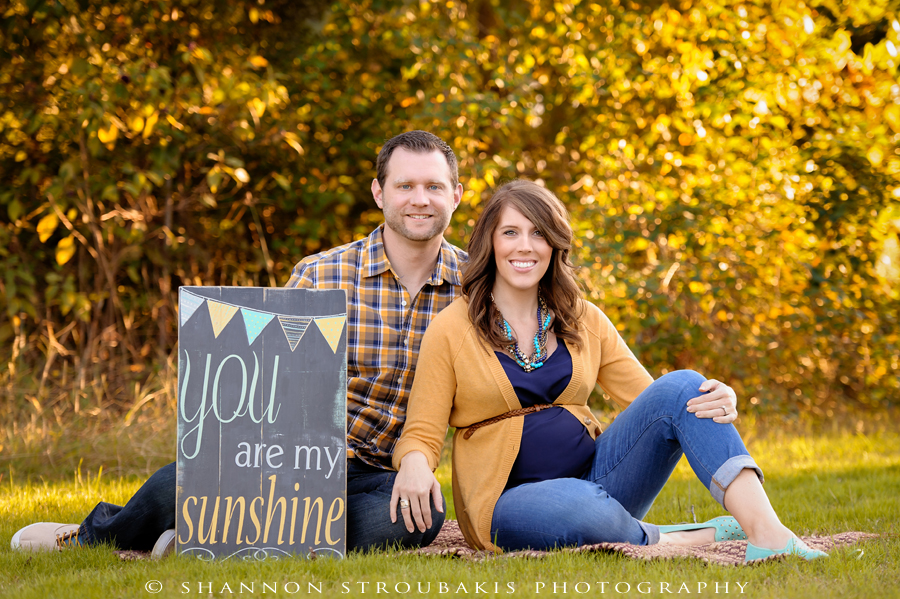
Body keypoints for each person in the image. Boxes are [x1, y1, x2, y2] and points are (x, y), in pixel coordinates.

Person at [11, 130, 465, 554]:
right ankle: (93, 537)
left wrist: (420, 462)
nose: (419, 200)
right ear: (379, 193)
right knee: (186, 482)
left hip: (385, 474)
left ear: (456, 195)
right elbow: (266, 387)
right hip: (291, 457)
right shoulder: (322, 275)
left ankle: (212, 532)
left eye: (434, 187)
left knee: (415, 519)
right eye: (405, 186)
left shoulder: (474, 288)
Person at [390, 179, 827, 562]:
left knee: (685, 386)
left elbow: (657, 402)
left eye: (539, 233)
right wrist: (413, 463)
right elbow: (423, 431)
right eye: (511, 232)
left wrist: (714, 398)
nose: (525, 246)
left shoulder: (583, 317)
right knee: (579, 506)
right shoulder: (452, 327)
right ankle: (683, 538)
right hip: (505, 504)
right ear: (491, 243)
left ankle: (769, 535)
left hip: (600, 477)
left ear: (554, 245)